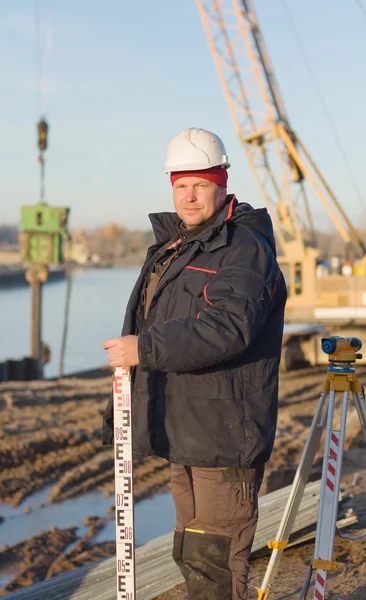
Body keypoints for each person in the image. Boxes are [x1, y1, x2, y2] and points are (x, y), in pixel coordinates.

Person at [102, 127, 287, 600]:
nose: (188, 196)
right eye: (180, 185)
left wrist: (142, 349)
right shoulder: (178, 247)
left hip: (224, 436)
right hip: (185, 431)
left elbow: (228, 327)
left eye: (200, 184)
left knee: (217, 569)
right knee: (190, 555)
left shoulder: (245, 250)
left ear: (222, 182)